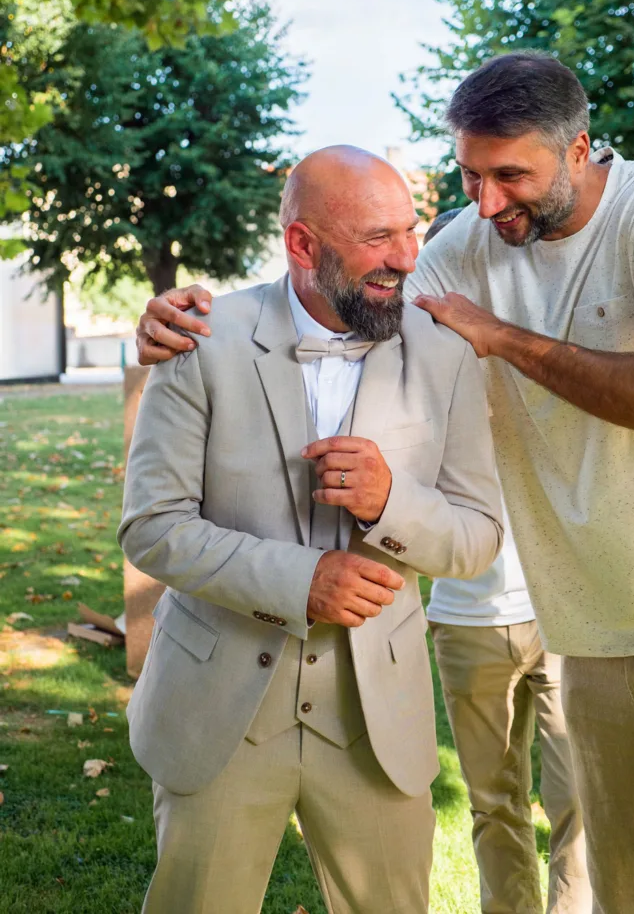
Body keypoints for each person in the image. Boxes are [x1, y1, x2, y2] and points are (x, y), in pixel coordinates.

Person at [136, 53, 634, 914]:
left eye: (509, 176)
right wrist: (166, 320)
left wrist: (490, 358)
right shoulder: (456, 248)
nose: (483, 205)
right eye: (469, 177)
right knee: (629, 885)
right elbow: (352, 299)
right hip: (590, 626)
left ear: (579, 151)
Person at [119, 145, 503, 914]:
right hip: (216, 710)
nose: (404, 258)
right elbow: (152, 528)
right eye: (377, 239)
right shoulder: (197, 337)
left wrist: (389, 503)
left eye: (410, 231)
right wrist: (301, 582)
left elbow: (475, 537)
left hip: (375, 724)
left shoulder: (447, 352)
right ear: (302, 244)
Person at [424, 210, 590, 914]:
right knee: (494, 804)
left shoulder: (551, 353)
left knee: (580, 800)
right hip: (466, 619)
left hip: (562, 616)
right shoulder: (419, 381)